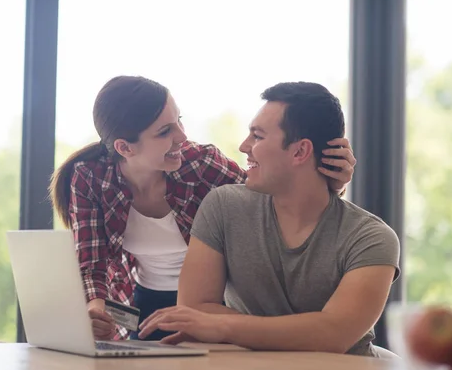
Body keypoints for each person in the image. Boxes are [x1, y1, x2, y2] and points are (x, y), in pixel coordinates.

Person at [50, 76, 357, 341]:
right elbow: (92, 259)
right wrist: (95, 306)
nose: (182, 136)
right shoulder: (89, 178)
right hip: (139, 302)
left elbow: (274, 196)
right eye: (164, 131)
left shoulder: (199, 164)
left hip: (212, 304)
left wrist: (330, 184)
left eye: (178, 121)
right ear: (125, 148)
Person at [137, 81, 400, 357]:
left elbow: (332, 335)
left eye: (258, 136)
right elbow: (193, 314)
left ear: (300, 152)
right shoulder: (224, 206)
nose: (243, 146)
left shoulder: (371, 238)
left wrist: (223, 325)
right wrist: (302, 331)